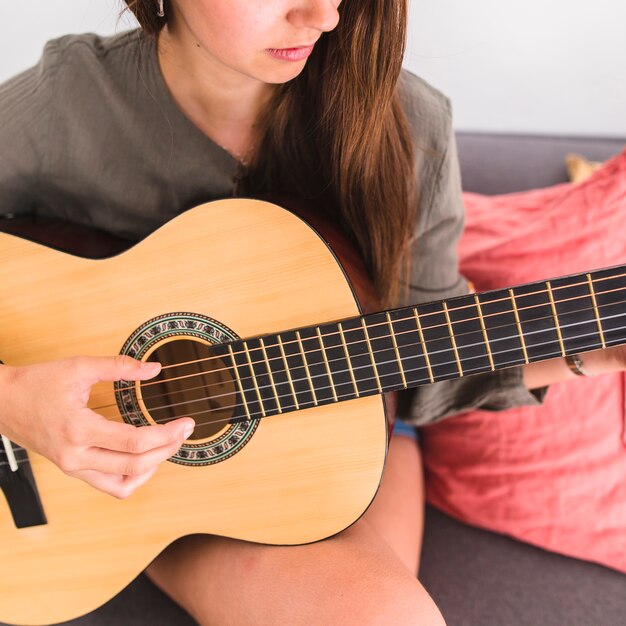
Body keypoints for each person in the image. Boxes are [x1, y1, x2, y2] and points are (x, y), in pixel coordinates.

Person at [1, 1, 624, 624]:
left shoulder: (412, 126)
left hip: (350, 422)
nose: (323, 16)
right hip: (90, 478)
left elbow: (428, 355)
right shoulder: (67, 102)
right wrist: (15, 400)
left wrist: (597, 351)